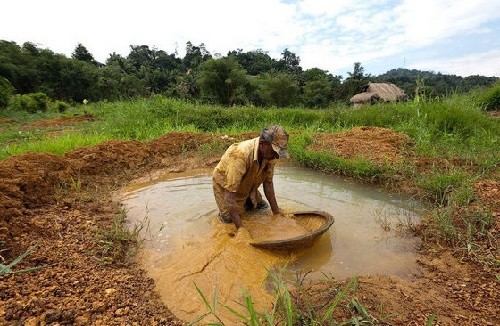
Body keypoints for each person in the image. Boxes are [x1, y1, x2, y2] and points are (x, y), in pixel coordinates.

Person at [212, 125, 289, 230]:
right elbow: (229, 196)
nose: (277, 156)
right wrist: (241, 229)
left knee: (262, 209)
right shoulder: (240, 154)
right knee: (230, 220)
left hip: (249, 182)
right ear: (262, 145)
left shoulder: (270, 155)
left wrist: (276, 211)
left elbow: (268, 183)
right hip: (226, 186)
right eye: (274, 152)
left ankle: (247, 201)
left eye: (278, 153)